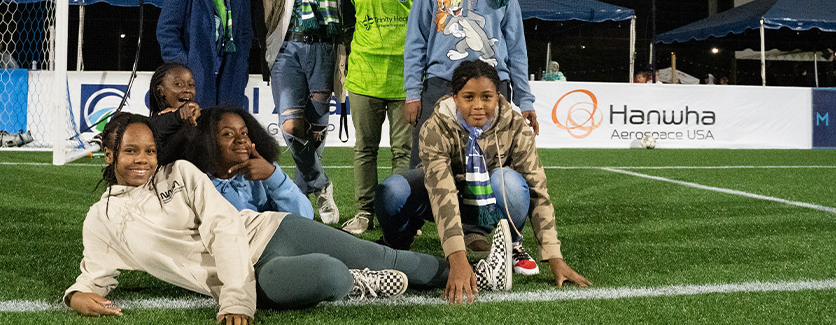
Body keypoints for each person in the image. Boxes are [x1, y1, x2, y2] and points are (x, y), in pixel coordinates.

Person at [64, 113, 515, 320]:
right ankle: (359, 282)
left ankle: (487, 274)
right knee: (332, 278)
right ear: (108, 154)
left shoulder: (180, 173)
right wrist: (77, 296)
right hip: (253, 273)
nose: (142, 159)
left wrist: (236, 302)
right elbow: (94, 275)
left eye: (148, 150)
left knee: (389, 257)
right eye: (130, 151)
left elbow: (224, 226)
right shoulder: (101, 219)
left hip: (274, 231)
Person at [376, 61, 592, 289]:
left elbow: (538, 189)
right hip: (451, 194)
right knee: (392, 191)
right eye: (468, 97)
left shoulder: (515, 126)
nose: (478, 106)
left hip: (491, 198)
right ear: (455, 97)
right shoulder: (435, 127)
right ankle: (396, 246)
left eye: (486, 97)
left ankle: (513, 242)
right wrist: (457, 259)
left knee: (508, 183)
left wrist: (554, 256)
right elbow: (441, 193)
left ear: (498, 97)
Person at [403, 0, 538, 172]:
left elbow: (517, 50)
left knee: (493, 162)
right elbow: (415, 43)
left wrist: (526, 100)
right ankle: (422, 211)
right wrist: (412, 93)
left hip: (493, 87)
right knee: (426, 161)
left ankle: (491, 211)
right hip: (441, 84)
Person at [338, 0, 427, 235]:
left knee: (403, 152)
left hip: (405, 80)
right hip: (363, 78)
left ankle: (400, 211)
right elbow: (348, 25)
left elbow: (426, 26)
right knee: (365, 149)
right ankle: (364, 212)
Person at [262, 0, 347, 225]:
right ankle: (322, 184)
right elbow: (270, 11)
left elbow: (350, 19)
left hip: (325, 52)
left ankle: (300, 194)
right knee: (290, 125)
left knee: (316, 130)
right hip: (288, 53)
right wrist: (271, 48)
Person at [161, 106, 313, 218]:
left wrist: (274, 177)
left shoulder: (264, 173)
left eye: (245, 133)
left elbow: (305, 218)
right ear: (206, 141)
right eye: (228, 134)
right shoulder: (193, 180)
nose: (241, 140)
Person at [147, 62, 202, 151]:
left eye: (191, 85)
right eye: (178, 84)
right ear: (160, 91)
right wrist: (179, 115)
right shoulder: (157, 121)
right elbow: (155, 128)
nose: (187, 90)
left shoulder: (200, 118)